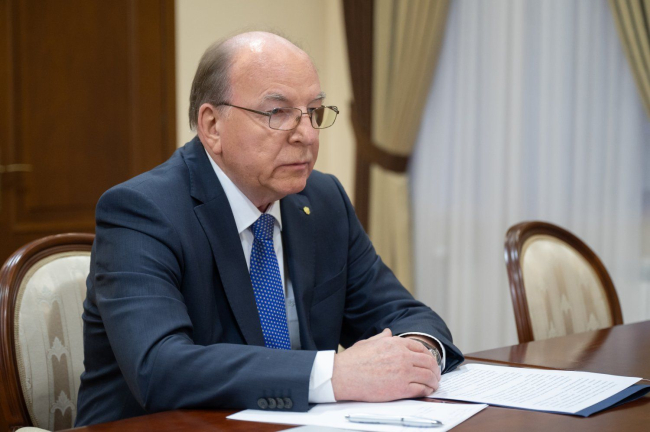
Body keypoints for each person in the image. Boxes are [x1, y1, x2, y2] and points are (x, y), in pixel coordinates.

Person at [75, 31, 463, 427]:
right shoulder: (142, 211)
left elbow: (404, 314)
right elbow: (160, 368)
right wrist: (334, 374)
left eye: (314, 112)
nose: (307, 135)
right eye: (278, 113)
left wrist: (416, 355)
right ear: (212, 125)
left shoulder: (323, 200)